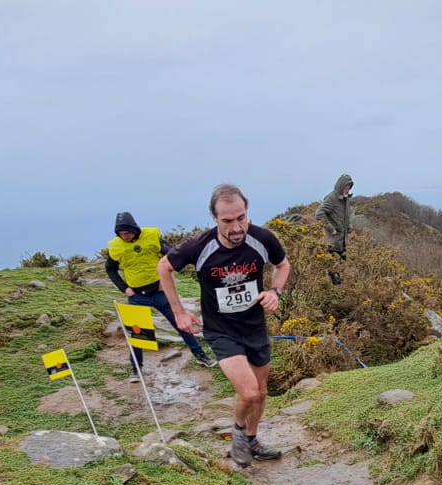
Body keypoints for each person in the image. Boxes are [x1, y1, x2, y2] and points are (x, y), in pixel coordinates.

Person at [159, 184, 291, 467]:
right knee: (249, 392)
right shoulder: (199, 246)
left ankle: (252, 439)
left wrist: (275, 292)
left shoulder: (262, 239)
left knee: (262, 390)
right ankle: (239, 432)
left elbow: (283, 265)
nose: (236, 227)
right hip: (221, 330)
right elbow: (164, 267)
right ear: (214, 218)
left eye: (241, 218)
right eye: (227, 221)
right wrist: (179, 312)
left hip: (254, 325)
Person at [105, 211, 218, 381]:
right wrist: (124, 288)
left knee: (181, 324)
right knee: (137, 332)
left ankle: (201, 356)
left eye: (127, 233)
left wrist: (167, 278)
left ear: (135, 229)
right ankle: (137, 369)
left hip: (159, 291)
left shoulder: (152, 236)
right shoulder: (116, 246)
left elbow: (172, 254)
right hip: (136, 295)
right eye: (121, 234)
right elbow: (110, 268)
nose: (125, 236)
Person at [315, 174, 354, 285]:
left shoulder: (345, 199)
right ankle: (331, 290)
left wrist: (349, 226)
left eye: (349, 187)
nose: (348, 189)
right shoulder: (332, 198)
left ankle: (340, 291)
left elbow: (346, 215)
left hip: (342, 241)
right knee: (333, 268)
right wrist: (331, 229)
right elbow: (319, 214)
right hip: (332, 241)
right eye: (346, 187)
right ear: (341, 186)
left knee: (342, 267)